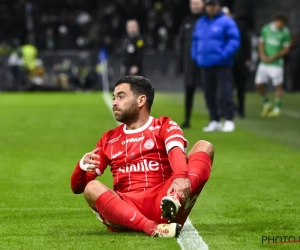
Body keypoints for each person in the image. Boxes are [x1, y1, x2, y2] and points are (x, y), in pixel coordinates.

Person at [71, 76, 214, 237]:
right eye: (114, 97)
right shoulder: (109, 139)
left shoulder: (163, 125)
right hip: (126, 208)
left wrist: (180, 176)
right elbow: (78, 187)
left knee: (204, 146)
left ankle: (173, 201)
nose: (114, 102)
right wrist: (81, 167)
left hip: (164, 199)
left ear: (141, 100)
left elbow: (175, 150)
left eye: (121, 96)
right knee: (92, 188)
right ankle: (151, 227)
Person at [192, 0, 240, 132]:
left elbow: (234, 40)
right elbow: (195, 41)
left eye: (212, 5)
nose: (210, 8)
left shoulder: (226, 21)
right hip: (205, 63)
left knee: (225, 92)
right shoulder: (201, 22)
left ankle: (229, 119)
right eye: (208, 6)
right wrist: (196, 56)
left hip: (222, 64)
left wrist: (223, 55)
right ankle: (214, 119)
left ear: (217, 6)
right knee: (208, 94)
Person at [255, 14, 291, 117]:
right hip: (264, 63)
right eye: (279, 23)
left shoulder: (285, 32)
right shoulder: (266, 29)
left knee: (278, 86)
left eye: (282, 24)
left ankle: (277, 109)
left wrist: (274, 57)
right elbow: (261, 43)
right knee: (258, 84)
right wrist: (262, 55)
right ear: (275, 21)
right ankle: (266, 104)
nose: (280, 25)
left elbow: (286, 49)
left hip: (276, 64)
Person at [176, 0, 204, 128]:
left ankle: (216, 119)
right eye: (193, 4)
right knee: (189, 91)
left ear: (203, 4)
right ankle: (187, 119)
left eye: (197, 3)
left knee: (211, 91)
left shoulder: (206, 20)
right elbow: (180, 42)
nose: (195, 6)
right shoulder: (186, 21)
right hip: (189, 63)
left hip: (204, 62)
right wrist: (180, 63)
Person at [223, 7, 251, 118]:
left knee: (240, 86)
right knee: (226, 87)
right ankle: (229, 108)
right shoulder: (219, 25)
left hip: (239, 60)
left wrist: (247, 58)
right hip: (225, 61)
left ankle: (241, 109)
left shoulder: (240, 25)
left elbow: (246, 42)